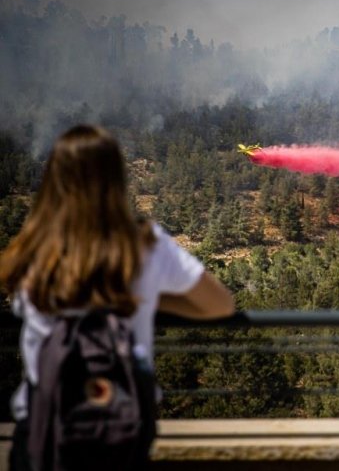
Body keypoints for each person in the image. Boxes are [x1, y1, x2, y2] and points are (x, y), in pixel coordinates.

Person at [0, 125, 235, 469]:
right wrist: (149, 300)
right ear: (116, 180)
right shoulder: (145, 243)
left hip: (43, 428)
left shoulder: (31, 249)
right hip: (122, 431)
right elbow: (221, 304)